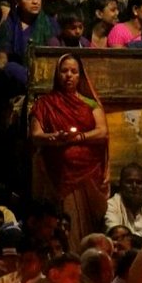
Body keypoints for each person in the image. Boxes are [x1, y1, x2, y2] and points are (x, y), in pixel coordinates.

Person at [30, 54, 109, 247]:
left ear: (80, 76)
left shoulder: (90, 104)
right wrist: (55, 138)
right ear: (57, 75)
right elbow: (35, 134)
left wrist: (78, 137)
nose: (69, 75)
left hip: (88, 174)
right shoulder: (44, 104)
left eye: (74, 71)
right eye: (64, 71)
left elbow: (102, 132)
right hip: (57, 175)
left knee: (89, 227)